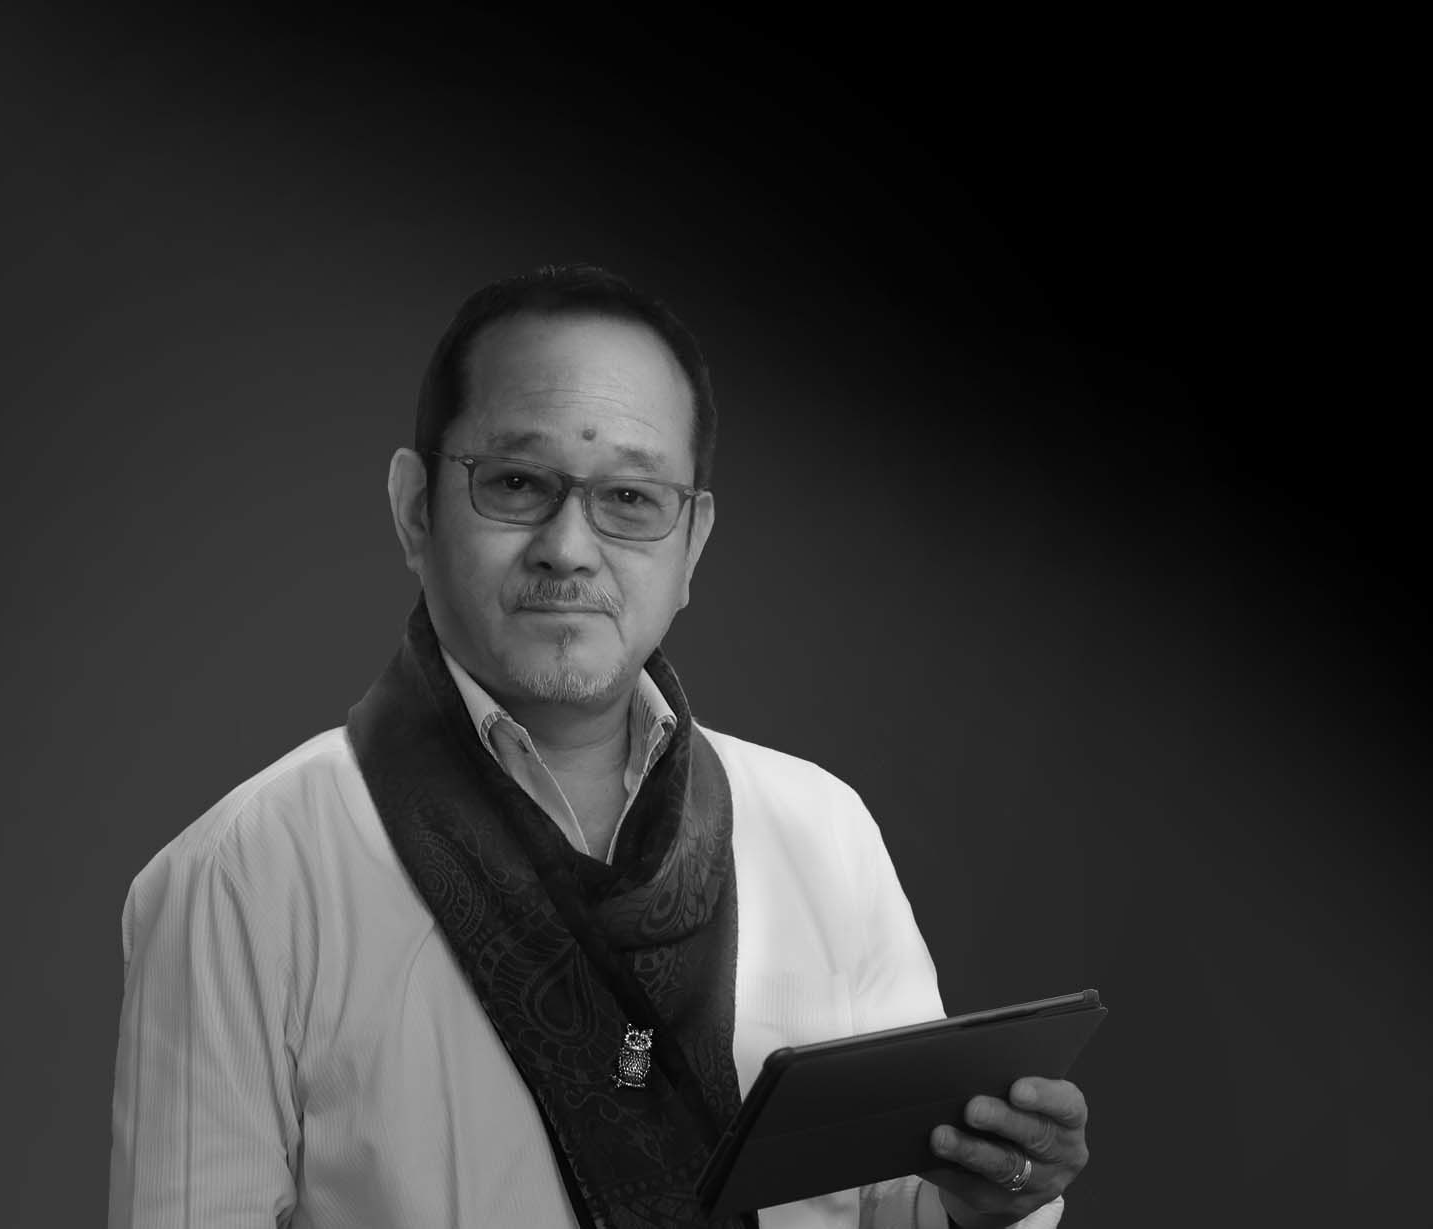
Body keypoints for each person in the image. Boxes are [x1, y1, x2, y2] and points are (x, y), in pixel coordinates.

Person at [106, 265, 1093, 1229]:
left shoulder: (820, 831)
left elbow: (892, 1200)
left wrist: (979, 1200)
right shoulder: (245, 871)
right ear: (414, 508)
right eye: (516, 481)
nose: (569, 547)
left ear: (691, 541)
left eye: (630, 497)